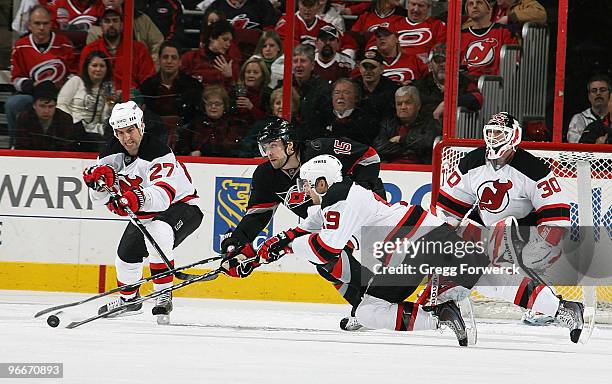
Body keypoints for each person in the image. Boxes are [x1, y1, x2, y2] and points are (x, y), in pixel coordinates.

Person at [244, 154, 585, 344]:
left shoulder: (341, 201)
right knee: (489, 279)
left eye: (307, 183)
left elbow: (325, 249)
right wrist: (271, 246)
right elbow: (306, 227)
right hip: (428, 236)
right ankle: (562, 308)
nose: (302, 189)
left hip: (410, 249)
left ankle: (439, 317)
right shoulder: (339, 197)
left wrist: (287, 247)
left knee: (367, 309)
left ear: (322, 182)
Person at [218, 118, 385, 329]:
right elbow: (257, 215)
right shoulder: (265, 175)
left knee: (327, 257)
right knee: (323, 262)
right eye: (265, 147)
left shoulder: (319, 150)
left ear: (289, 144)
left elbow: (369, 156)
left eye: (274, 145)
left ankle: (379, 297)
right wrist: (237, 244)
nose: (269, 153)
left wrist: (357, 193)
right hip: (321, 217)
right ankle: (367, 308)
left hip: (356, 209)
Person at [434, 112, 575, 325]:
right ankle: (449, 295)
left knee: (507, 231)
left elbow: (557, 215)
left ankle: (548, 301)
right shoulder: (471, 161)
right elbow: (448, 208)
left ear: (514, 136)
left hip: (525, 229)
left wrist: (541, 247)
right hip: (487, 227)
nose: (493, 138)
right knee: (446, 239)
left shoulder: (533, 168)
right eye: (490, 132)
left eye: (499, 133)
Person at [82, 101, 203, 322]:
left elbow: (163, 197)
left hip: (183, 207)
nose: (127, 138)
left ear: (141, 126)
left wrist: (134, 197)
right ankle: (130, 301)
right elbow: (99, 200)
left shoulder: (159, 152)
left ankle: (163, 293)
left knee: (159, 232)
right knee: (126, 256)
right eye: (120, 133)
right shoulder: (109, 155)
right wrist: (97, 186)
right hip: (145, 211)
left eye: (130, 130)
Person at [5, 5, 76, 149]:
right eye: (37, 23)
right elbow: (16, 78)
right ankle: (16, 145)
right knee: (14, 103)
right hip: (33, 95)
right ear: (29, 25)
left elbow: (74, 74)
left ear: (51, 24)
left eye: (45, 23)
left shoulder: (64, 44)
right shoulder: (20, 46)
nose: (41, 27)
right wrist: (31, 86)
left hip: (60, 94)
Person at [80, 6, 156, 89]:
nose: (111, 25)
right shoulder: (90, 50)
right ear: (101, 25)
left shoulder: (139, 49)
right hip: (99, 97)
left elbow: (148, 80)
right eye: (107, 21)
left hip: (131, 98)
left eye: (115, 20)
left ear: (122, 24)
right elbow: (84, 80)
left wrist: (135, 94)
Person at [57, 50, 114, 152]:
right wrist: (72, 122)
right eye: (94, 65)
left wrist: (111, 103)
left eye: (102, 66)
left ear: (107, 69)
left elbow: (105, 118)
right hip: (73, 129)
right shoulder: (76, 81)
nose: (98, 69)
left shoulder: (108, 89)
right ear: (87, 67)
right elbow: (61, 105)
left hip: (95, 133)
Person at [175, 84, 247, 157]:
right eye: (209, 104)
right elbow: (181, 147)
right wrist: (189, 154)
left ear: (224, 106)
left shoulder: (234, 124)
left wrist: (204, 151)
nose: (213, 107)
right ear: (204, 106)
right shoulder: (195, 124)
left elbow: (234, 149)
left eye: (217, 104)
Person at [414, 43, 482, 120]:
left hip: (457, 128)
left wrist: (448, 104)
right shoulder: (421, 84)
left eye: (447, 60)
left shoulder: (463, 80)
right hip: (427, 129)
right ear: (430, 64)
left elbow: (477, 98)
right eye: (438, 60)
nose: (442, 64)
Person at [373, 85, 441, 163]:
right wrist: (410, 150)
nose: (403, 107)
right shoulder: (388, 123)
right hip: (391, 169)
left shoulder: (430, 123)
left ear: (418, 105)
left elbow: (427, 144)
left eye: (408, 103)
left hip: (421, 170)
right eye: (399, 104)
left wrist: (401, 140)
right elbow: (379, 148)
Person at [87, 0, 164, 67]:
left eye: (115, 20)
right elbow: (92, 62)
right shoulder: (95, 28)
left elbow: (158, 44)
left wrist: (151, 66)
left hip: (141, 73)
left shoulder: (141, 20)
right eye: (107, 21)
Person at [139, 41, 203, 123]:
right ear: (159, 60)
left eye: (173, 58)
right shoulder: (147, 86)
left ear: (180, 62)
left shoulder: (193, 86)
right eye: (165, 57)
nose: (169, 61)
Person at [460, 0, 517, 78]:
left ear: (489, 8)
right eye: (470, 4)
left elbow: (513, 62)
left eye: (479, 2)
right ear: (467, 11)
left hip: (494, 84)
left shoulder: (504, 31)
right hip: (467, 86)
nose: (475, 6)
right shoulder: (461, 36)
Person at [15, 80, 78, 151]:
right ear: (34, 105)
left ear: (56, 105)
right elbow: (21, 147)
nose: (46, 111)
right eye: (42, 106)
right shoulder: (24, 118)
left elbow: (67, 148)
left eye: (51, 106)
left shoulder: (65, 119)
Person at [180, 20, 240, 89]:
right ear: (211, 37)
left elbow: (237, 92)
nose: (228, 44)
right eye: (225, 39)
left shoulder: (231, 63)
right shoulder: (190, 57)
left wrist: (229, 77)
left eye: (230, 41)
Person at [321, 78, 380, 146]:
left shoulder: (366, 121)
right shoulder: (322, 118)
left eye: (346, 93)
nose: (340, 97)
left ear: (356, 98)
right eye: (337, 93)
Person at [291, 44, 332, 140]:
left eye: (303, 61)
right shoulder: (284, 85)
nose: (298, 65)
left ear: (312, 65)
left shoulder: (323, 88)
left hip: (314, 138)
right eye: (295, 61)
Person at [354, 48, 399, 122]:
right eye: (365, 67)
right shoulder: (352, 87)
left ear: (382, 69)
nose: (368, 71)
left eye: (372, 67)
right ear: (359, 68)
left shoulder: (392, 88)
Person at [567, 74, 611, 143]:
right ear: (589, 96)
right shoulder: (579, 119)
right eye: (594, 90)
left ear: (610, 94)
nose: (598, 93)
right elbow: (575, 145)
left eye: (602, 90)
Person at [233, 56, 271, 126]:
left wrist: (251, 107)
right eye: (248, 72)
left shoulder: (268, 94)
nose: (251, 75)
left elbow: (268, 121)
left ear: (263, 76)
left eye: (255, 72)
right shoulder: (237, 91)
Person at [207, 0, 280, 30]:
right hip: (224, 53)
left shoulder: (262, 4)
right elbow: (207, 36)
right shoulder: (216, 6)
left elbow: (269, 34)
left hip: (256, 54)